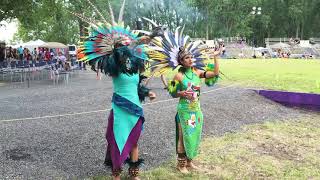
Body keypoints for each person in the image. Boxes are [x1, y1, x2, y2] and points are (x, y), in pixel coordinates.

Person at [74, 1, 160, 179]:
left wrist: (147, 92)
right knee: (118, 142)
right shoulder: (113, 65)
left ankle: (134, 174)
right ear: (117, 49)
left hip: (135, 108)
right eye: (122, 45)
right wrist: (136, 41)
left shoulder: (134, 66)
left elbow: (136, 85)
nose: (126, 47)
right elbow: (119, 55)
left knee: (134, 141)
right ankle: (116, 175)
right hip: (120, 109)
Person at [148, 27, 221, 174]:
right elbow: (172, 92)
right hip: (184, 112)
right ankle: (180, 165)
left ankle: (190, 162)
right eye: (187, 58)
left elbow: (215, 73)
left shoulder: (197, 72)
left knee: (194, 135)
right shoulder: (178, 76)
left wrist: (215, 57)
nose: (191, 59)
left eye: (191, 57)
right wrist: (181, 93)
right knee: (183, 137)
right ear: (181, 61)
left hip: (196, 110)